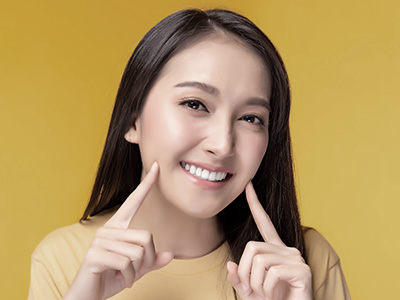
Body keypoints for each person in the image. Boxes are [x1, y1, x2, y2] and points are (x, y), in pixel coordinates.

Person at [29, 8, 351, 300]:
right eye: (195, 104)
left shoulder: (305, 264)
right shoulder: (65, 260)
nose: (223, 144)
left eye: (251, 118)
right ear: (132, 120)